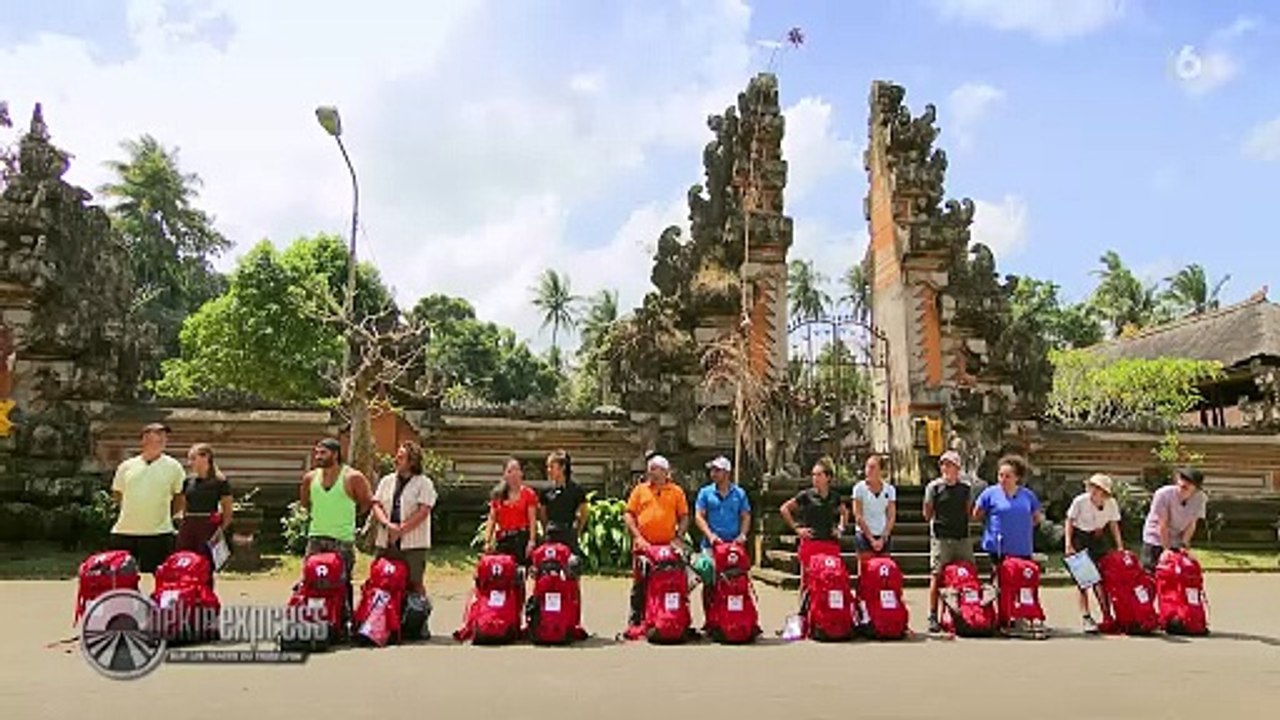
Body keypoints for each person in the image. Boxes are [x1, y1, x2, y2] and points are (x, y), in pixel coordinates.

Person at [110, 422, 186, 578]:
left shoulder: (174, 467)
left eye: (163, 436)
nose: (161, 439)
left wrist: (174, 515)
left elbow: (180, 495)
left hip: (159, 532)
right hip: (125, 531)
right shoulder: (127, 466)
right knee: (120, 577)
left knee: (159, 576)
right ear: (144, 439)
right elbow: (117, 493)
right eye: (157, 435)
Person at [300, 438, 374, 599]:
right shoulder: (310, 478)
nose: (318, 457)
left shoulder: (353, 477)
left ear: (335, 454)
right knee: (310, 580)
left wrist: (349, 518)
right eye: (317, 453)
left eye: (323, 453)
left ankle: (345, 619)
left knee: (342, 583)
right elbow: (305, 503)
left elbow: (367, 503)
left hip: (342, 540)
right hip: (316, 537)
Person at [623, 454, 690, 628]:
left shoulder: (676, 491)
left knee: (671, 582)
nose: (650, 472)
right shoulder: (640, 490)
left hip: (668, 548)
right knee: (640, 583)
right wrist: (638, 537)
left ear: (665, 472)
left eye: (655, 469)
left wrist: (678, 537)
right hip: (644, 546)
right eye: (650, 469)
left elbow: (684, 517)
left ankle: (671, 617)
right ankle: (636, 619)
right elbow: (629, 514)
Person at [369, 441, 438, 595]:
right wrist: (388, 525)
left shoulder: (423, 483)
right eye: (397, 456)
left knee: (414, 584)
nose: (396, 460)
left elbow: (424, 510)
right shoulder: (387, 480)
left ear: (412, 461)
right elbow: (376, 504)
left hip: (413, 544)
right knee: (380, 577)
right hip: (386, 541)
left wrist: (401, 529)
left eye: (401, 457)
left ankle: (418, 615)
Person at [779, 457, 847, 611]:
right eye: (813, 475)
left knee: (831, 577)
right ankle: (804, 612)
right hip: (811, 543)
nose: (815, 478)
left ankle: (828, 610)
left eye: (818, 475)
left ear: (828, 477)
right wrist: (797, 528)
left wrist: (840, 528)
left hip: (830, 543)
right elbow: (784, 509)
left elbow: (844, 512)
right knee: (807, 580)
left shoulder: (835, 497)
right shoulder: (806, 495)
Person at [1065, 473, 1123, 633]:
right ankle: (1086, 616)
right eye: (1092, 487)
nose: (1093, 491)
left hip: (1098, 537)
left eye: (1098, 488)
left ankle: (1107, 615)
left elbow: (1113, 524)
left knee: (1102, 579)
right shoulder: (1080, 501)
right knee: (1084, 580)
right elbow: (1069, 521)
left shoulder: (1111, 503)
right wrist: (1068, 544)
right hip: (1080, 537)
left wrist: (1119, 546)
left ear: (1104, 492)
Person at [924, 450, 975, 633]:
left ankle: (970, 611)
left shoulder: (966, 488)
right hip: (941, 537)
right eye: (943, 464)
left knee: (968, 573)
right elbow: (927, 512)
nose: (945, 468)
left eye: (949, 464)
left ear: (957, 468)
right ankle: (932, 614)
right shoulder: (934, 487)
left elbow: (969, 511)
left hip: (962, 536)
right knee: (936, 575)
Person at [692, 456, 751, 605]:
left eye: (717, 470)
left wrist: (743, 534)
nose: (713, 473)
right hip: (712, 545)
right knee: (710, 582)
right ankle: (711, 619)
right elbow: (699, 516)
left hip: (733, 546)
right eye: (712, 470)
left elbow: (745, 516)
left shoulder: (739, 493)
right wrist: (710, 535)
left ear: (727, 473)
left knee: (734, 581)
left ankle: (732, 618)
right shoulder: (705, 493)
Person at [973, 454, 1043, 568]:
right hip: (998, 547)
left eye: (1007, 476)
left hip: (1022, 547)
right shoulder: (989, 493)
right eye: (1000, 475)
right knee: (1001, 580)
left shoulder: (1028, 495)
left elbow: (1036, 518)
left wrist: (1021, 526)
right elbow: (977, 514)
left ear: (1017, 477)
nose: (1003, 479)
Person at [176, 443, 233, 582]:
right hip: (189, 525)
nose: (190, 462)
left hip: (208, 526)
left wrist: (219, 530)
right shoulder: (188, 481)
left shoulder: (220, 482)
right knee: (185, 561)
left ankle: (205, 597)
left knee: (205, 564)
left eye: (193, 458)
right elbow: (183, 505)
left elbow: (227, 509)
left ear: (205, 457)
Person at [1140, 467, 1208, 574]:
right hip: (1155, 537)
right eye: (1182, 479)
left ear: (1196, 488)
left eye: (1189, 483)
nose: (1184, 483)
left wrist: (1184, 545)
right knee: (1151, 574)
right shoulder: (1163, 494)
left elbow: (1192, 523)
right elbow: (1163, 523)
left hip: (1177, 539)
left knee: (1175, 575)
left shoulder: (1201, 498)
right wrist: (1166, 549)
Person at [484, 458, 539, 566]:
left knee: (520, 575)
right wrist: (487, 541)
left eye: (516, 470)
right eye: (510, 471)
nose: (514, 474)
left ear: (521, 473)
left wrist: (532, 541)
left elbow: (532, 519)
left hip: (522, 539)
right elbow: (492, 518)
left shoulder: (529, 494)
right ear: (504, 475)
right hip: (504, 539)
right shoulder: (498, 495)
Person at [539, 449, 588, 558]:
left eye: (552, 467)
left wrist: (577, 531)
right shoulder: (546, 490)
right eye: (548, 467)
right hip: (551, 533)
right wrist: (546, 528)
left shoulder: (576, 489)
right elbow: (542, 514)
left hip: (568, 532)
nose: (548, 470)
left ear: (562, 467)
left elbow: (584, 512)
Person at [852, 454, 896, 562]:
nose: (868, 470)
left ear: (880, 470)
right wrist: (871, 539)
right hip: (864, 534)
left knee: (883, 568)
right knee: (865, 569)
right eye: (867, 467)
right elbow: (858, 515)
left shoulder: (889, 490)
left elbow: (891, 515)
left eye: (872, 467)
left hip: (882, 534)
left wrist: (883, 537)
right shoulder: (859, 488)